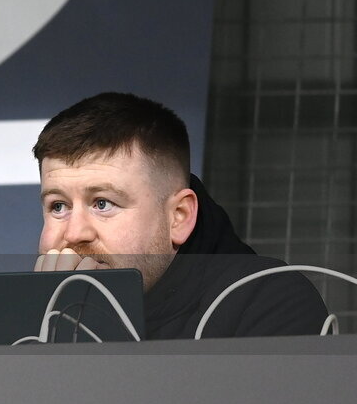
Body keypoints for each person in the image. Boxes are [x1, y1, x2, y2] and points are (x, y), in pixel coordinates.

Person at [32, 92, 328, 340]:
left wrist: (93, 331)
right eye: (58, 206)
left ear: (179, 217)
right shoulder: (31, 315)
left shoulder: (269, 301)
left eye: (102, 203)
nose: (73, 233)